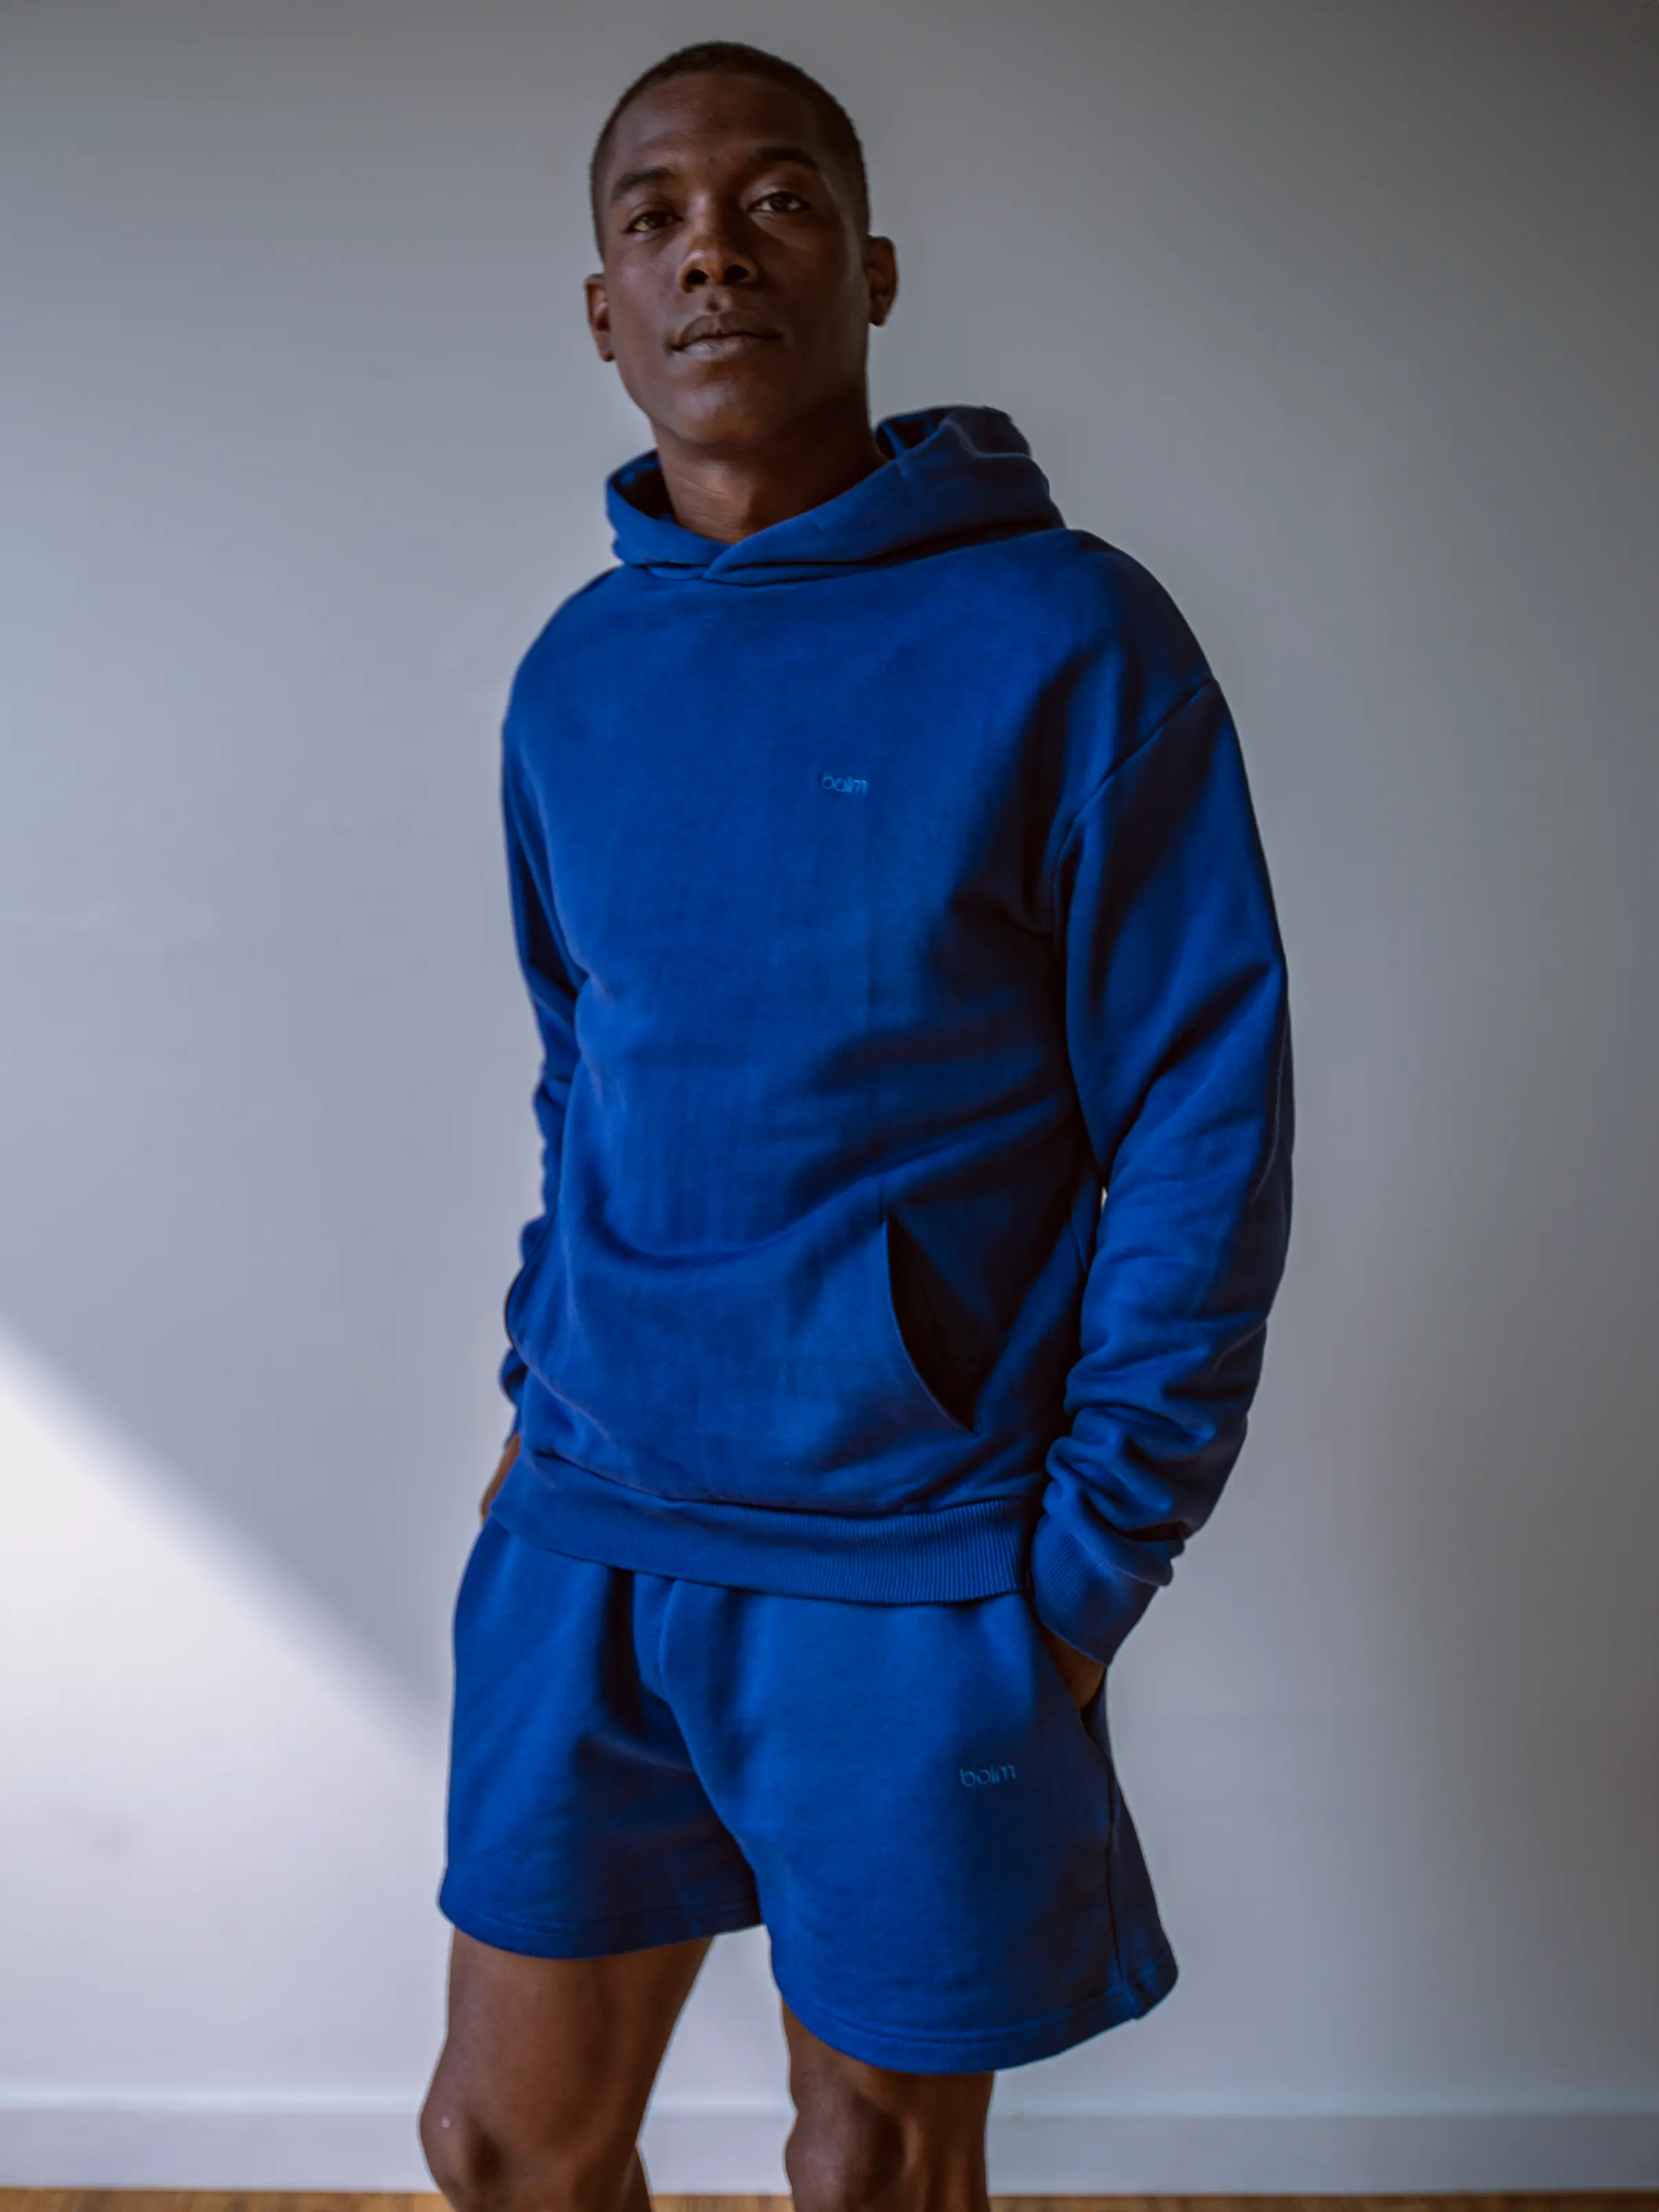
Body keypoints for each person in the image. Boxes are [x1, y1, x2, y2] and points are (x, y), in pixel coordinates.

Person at [420, 39, 1294, 2212]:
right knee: (505, 2144)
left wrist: (1088, 1565)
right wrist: (539, 1398)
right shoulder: (572, 678)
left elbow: (1201, 1110)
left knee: (870, 2161)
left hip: (914, 1560)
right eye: (653, 216)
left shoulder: (1068, 637)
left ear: (874, 268)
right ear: (602, 310)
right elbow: (581, 1071)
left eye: (777, 196)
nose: (711, 242)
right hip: (594, 1517)